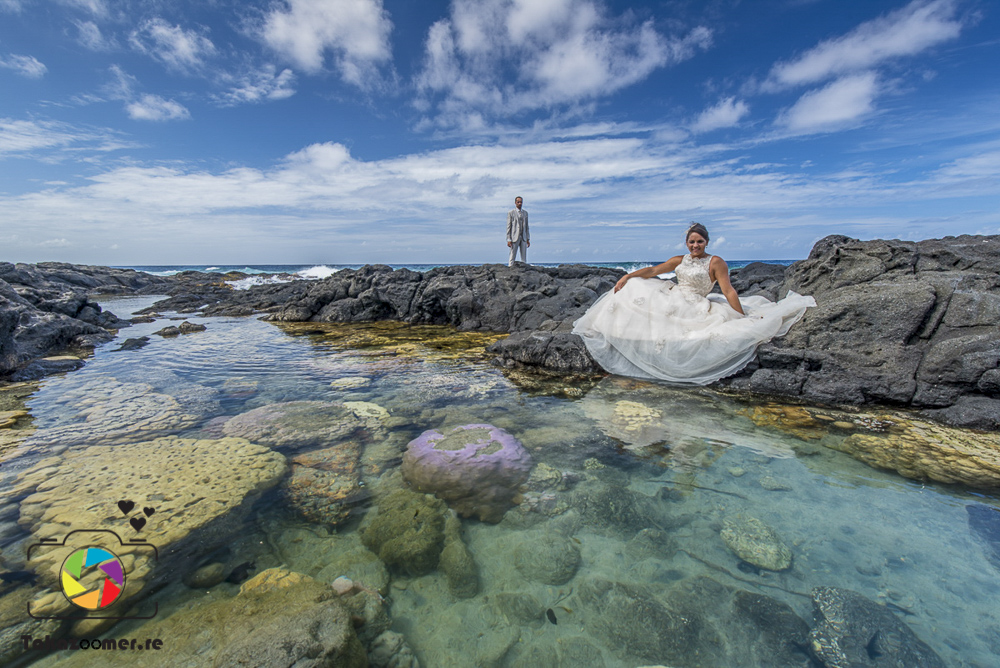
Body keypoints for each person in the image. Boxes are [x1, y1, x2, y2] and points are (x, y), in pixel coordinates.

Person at [572, 223, 815, 385]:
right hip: (673, 294)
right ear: (686, 243)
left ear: (707, 242)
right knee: (635, 288)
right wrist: (627, 275)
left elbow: (728, 290)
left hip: (697, 303)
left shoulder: (716, 262)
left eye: (699, 242)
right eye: (691, 242)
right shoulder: (680, 259)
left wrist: (740, 315)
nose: (695, 246)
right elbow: (655, 270)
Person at [506, 196, 529, 266]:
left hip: (523, 237)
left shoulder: (525, 213)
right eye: (518, 202)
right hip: (514, 237)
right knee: (512, 255)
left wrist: (528, 239)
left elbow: (527, 227)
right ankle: (510, 268)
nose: (520, 203)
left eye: (521, 202)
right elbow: (508, 226)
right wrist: (509, 239)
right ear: (515, 203)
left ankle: (524, 269)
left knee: (524, 257)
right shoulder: (511, 213)